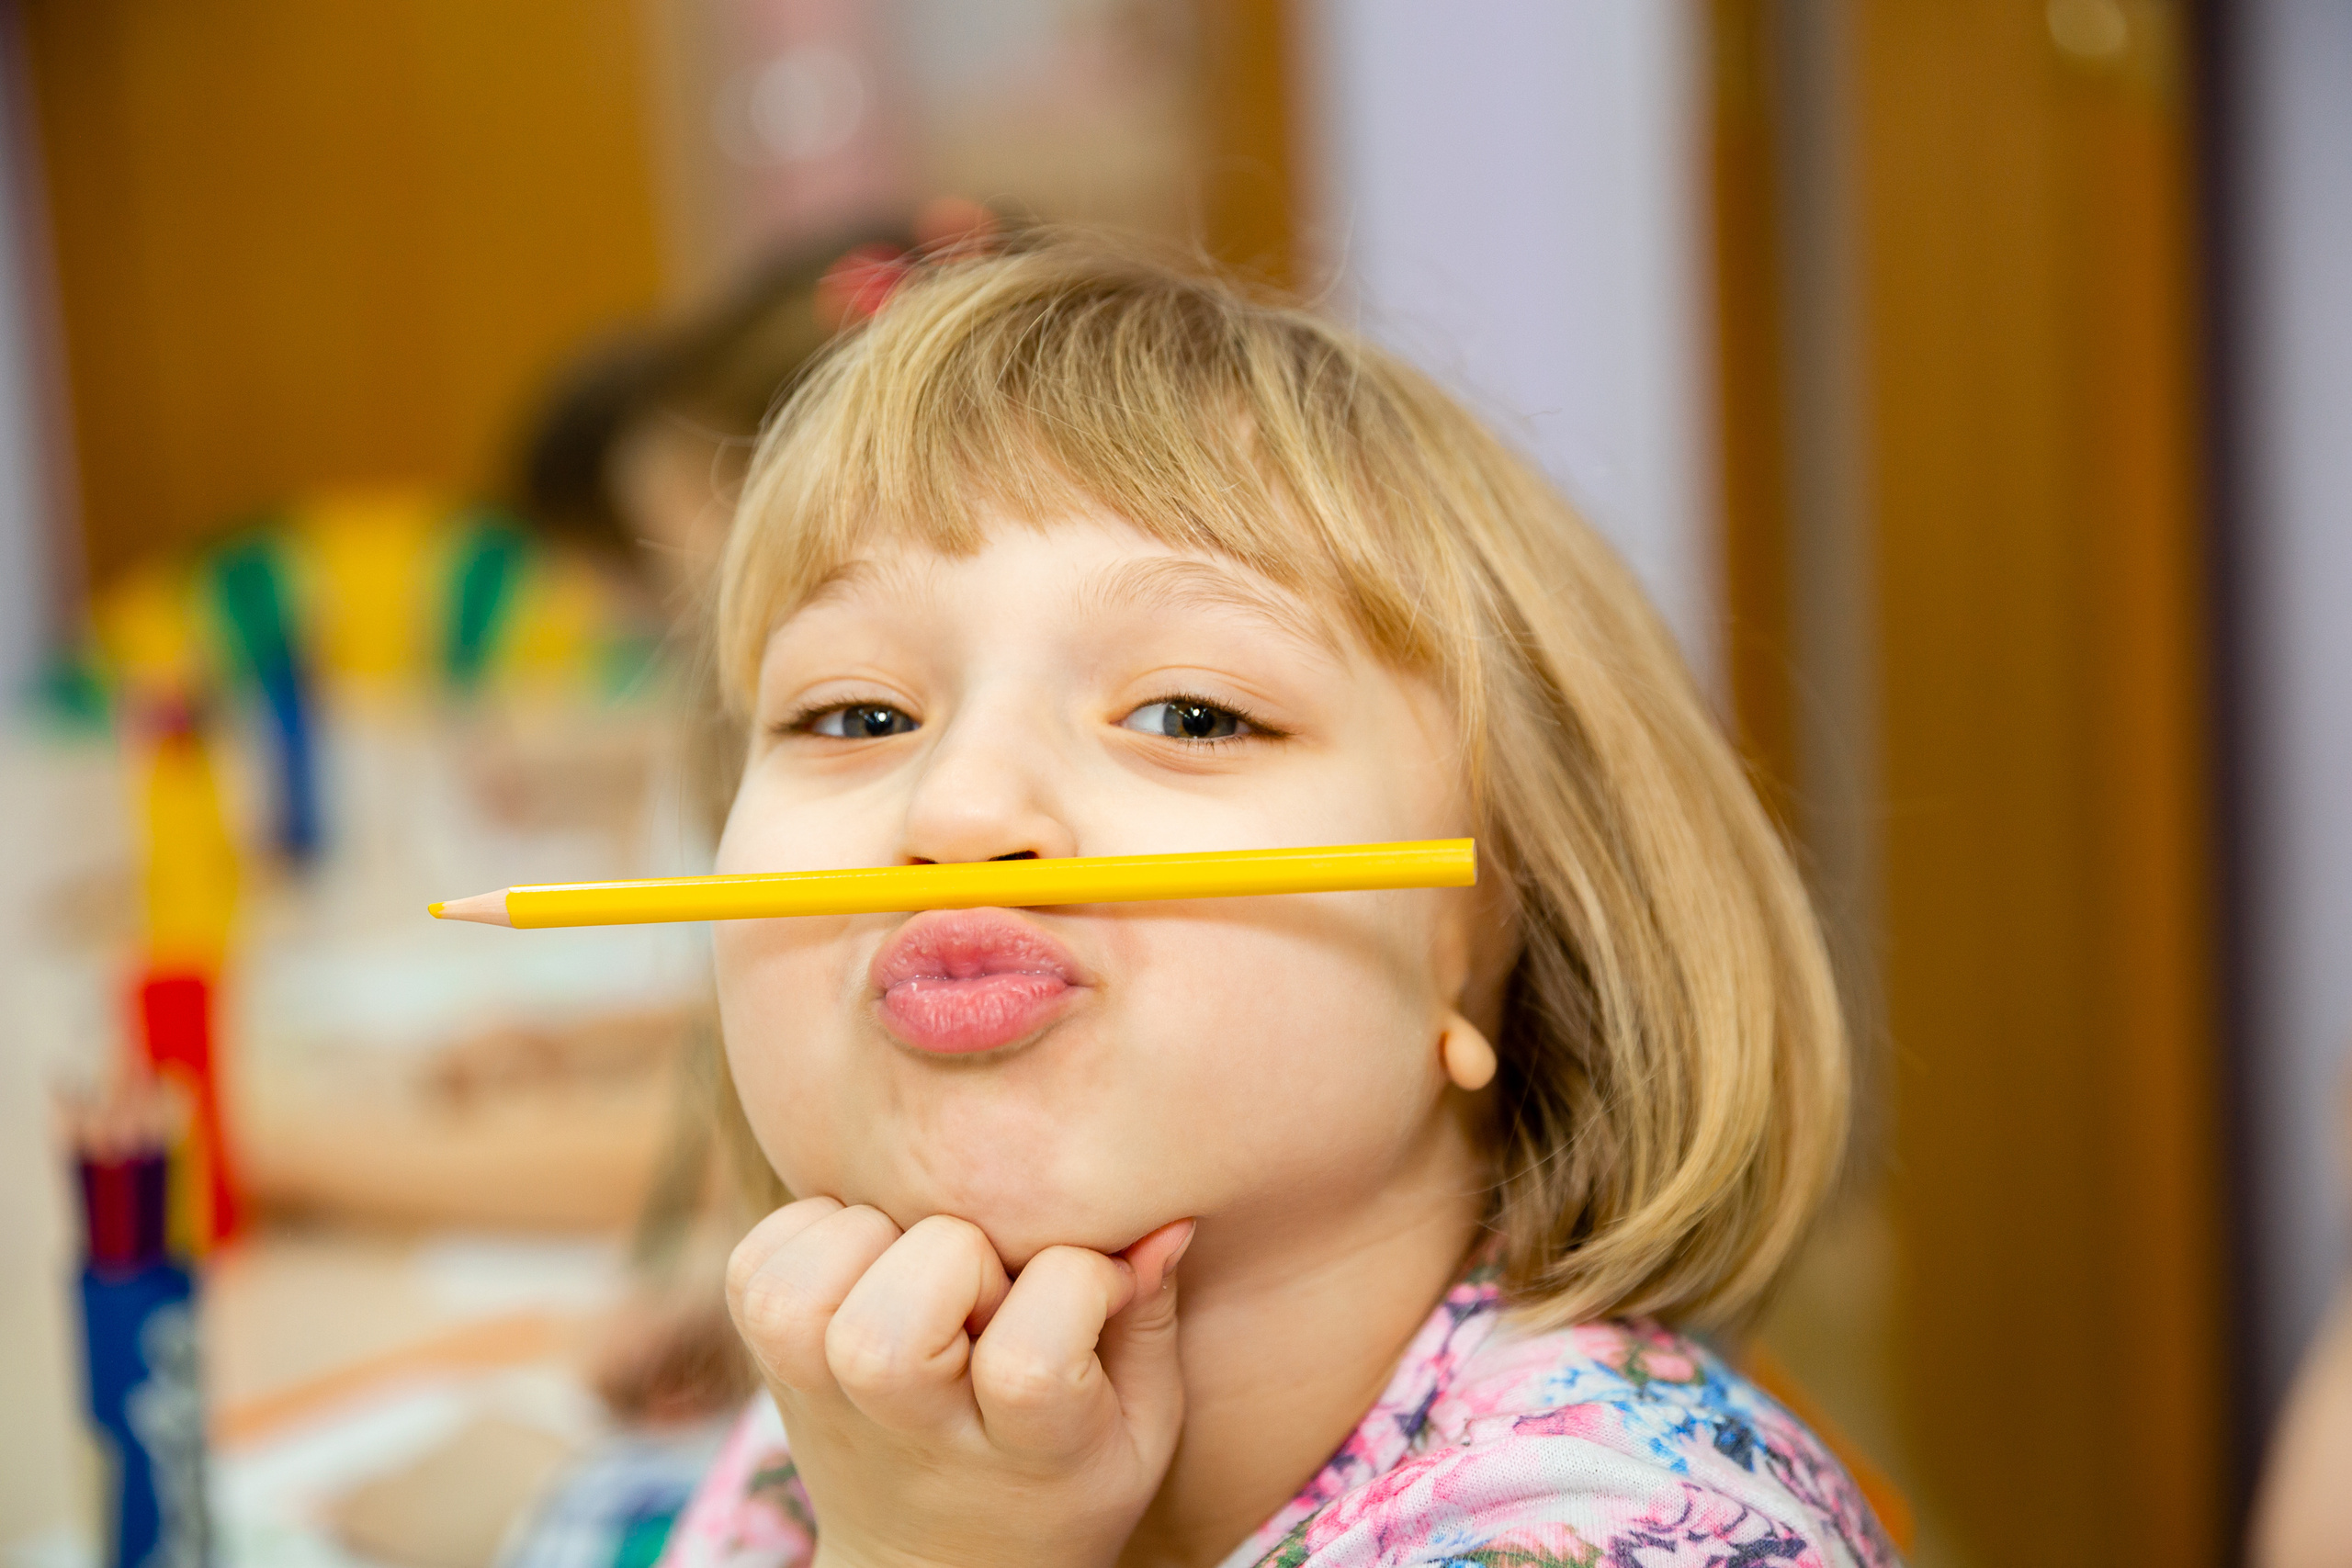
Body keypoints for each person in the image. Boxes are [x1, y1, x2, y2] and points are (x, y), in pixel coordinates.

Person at [659, 236, 1900, 1567]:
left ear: (1486, 926)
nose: (957, 812)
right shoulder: (865, 1423)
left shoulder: (1636, 1533)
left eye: (1191, 714)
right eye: (854, 714)